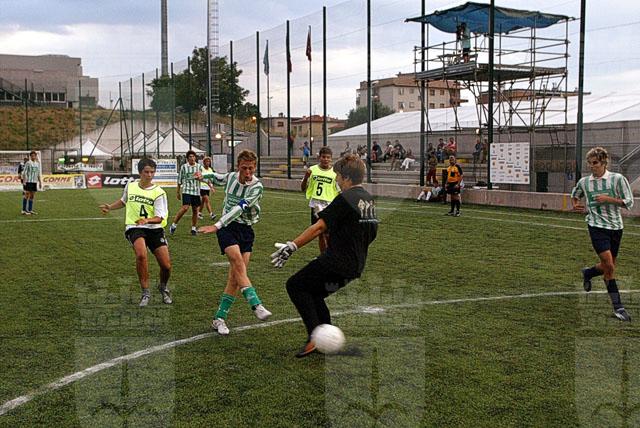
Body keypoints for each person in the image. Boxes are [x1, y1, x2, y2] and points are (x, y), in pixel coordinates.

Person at [271, 154, 378, 357]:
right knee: (314, 293)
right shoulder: (368, 199)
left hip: (337, 261)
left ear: (346, 177)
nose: (336, 179)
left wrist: (292, 246)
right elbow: (371, 233)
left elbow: (318, 227)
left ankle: (314, 337)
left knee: (295, 285)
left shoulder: (345, 198)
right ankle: (325, 340)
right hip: (355, 265)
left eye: (338, 175)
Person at [197, 150, 272, 335]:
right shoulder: (231, 177)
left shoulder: (257, 187)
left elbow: (240, 208)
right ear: (238, 166)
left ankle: (219, 319)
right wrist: (202, 176)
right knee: (238, 263)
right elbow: (217, 177)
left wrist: (215, 225)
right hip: (227, 227)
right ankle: (256, 304)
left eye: (251, 168)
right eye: (244, 168)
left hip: (245, 230)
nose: (248, 172)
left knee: (236, 277)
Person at [571, 147, 634, 321]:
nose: (592, 166)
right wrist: (575, 204)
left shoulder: (617, 179)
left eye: (595, 163)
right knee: (610, 266)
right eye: (589, 163)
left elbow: (629, 202)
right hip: (596, 226)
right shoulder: (585, 182)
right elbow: (575, 194)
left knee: (608, 266)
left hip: (616, 227)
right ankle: (618, 307)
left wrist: (609, 199)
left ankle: (589, 273)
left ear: (604, 162)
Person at [99, 158, 172, 307]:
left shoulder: (159, 192)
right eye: (146, 172)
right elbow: (124, 201)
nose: (149, 175)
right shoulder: (131, 186)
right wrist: (110, 207)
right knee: (141, 255)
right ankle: (145, 292)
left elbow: (160, 218)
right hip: (134, 227)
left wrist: (147, 220)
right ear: (140, 172)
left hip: (154, 229)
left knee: (166, 266)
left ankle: (163, 287)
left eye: (152, 172)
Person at [300, 146, 340, 253]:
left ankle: (331, 255)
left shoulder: (335, 173)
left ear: (331, 159)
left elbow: (339, 191)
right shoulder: (312, 170)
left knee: (329, 234)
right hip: (316, 206)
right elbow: (303, 188)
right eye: (323, 157)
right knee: (320, 233)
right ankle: (323, 257)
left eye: (328, 157)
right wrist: (306, 177)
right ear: (319, 158)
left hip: (329, 206)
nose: (325, 159)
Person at [169, 150, 203, 236]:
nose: (192, 158)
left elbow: (202, 177)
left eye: (193, 156)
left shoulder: (199, 166)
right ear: (187, 159)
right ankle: (174, 225)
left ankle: (193, 228)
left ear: (195, 158)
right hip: (187, 190)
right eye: (190, 157)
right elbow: (179, 179)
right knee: (185, 208)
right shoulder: (184, 167)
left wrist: (200, 178)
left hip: (196, 191)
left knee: (195, 210)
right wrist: (178, 192)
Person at [21, 151, 42, 215]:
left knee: (32, 195)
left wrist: (40, 182)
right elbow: (24, 172)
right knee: (27, 194)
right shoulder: (28, 163)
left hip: (34, 182)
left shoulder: (37, 163)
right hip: (28, 181)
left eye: (34, 156)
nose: (33, 157)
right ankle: (24, 210)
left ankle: (30, 210)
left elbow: (38, 173)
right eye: (32, 156)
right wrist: (24, 181)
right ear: (30, 156)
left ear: (36, 156)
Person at [197, 156, 217, 221]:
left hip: (207, 187)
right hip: (201, 187)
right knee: (207, 200)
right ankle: (211, 214)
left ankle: (199, 213)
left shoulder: (210, 169)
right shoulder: (201, 168)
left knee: (203, 201)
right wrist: (204, 181)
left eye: (209, 161)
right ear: (204, 162)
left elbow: (210, 179)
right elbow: (199, 177)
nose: (208, 162)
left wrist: (212, 187)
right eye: (206, 161)